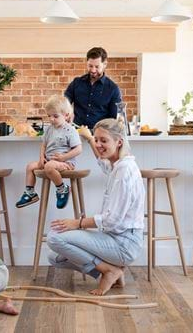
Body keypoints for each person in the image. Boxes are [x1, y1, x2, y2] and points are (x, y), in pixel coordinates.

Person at [46, 118, 145, 296]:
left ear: (119, 142)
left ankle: (110, 271)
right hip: (114, 238)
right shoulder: (117, 165)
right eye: (97, 140)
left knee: (54, 238)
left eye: (104, 140)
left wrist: (78, 223)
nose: (99, 144)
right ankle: (111, 270)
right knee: (55, 258)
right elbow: (102, 162)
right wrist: (90, 139)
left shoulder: (124, 171)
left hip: (124, 244)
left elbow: (112, 220)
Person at [16, 95, 82, 209]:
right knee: (30, 166)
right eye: (49, 116)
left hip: (66, 163)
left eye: (55, 116)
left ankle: (62, 189)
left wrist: (64, 157)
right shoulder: (49, 129)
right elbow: (44, 145)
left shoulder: (70, 130)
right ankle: (30, 193)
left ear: (66, 115)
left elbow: (78, 149)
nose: (51, 119)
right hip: (49, 161)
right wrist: (41, 157)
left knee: (49, 167)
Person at [64, 47, 122, 129]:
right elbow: (64, 101)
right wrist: (68, 110)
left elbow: (114, 119)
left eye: (97, 67)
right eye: (90, 66)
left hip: (99, 134)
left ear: (105, 64)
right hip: (76, 132)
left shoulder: (113, 89)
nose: (93, 70)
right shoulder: (77, 83)